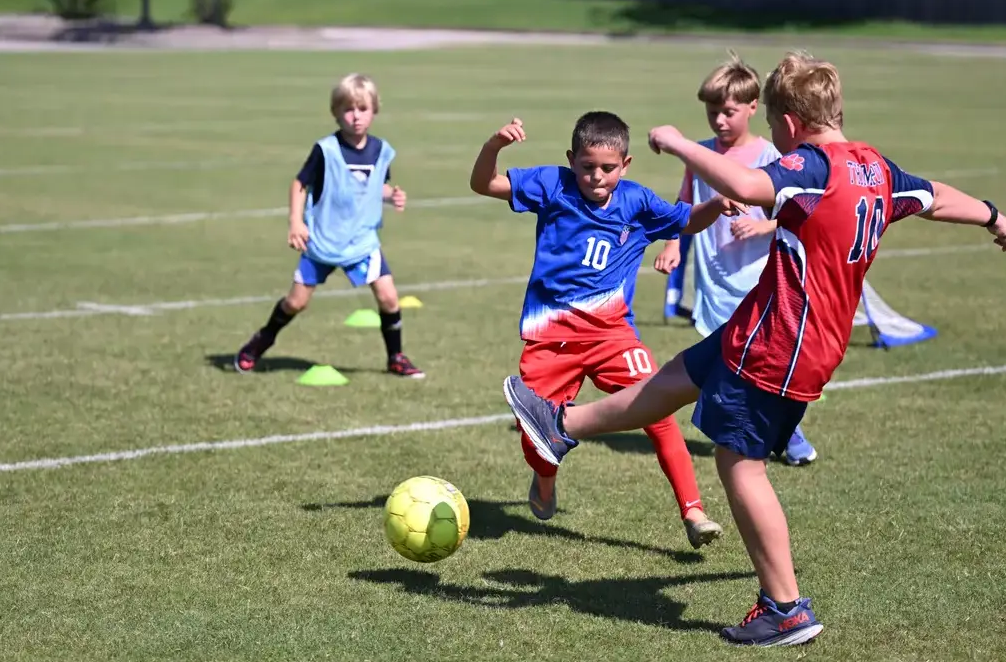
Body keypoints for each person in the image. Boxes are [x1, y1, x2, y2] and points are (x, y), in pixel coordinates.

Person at [503, 53, 1006, 646]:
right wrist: (993, 216)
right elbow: (935, 196)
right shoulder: (874, 167)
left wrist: (677, 143)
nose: (773, 139)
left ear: (792, 124)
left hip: (783, 340)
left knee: (737, 462)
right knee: (679, 374)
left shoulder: (811, 165)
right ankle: (561, 424)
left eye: (774, 126)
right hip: (772, 326)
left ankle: (785, 606)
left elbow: (748, 184)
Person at [470, 111, 738, 548]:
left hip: (613, 336)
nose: (596, 177)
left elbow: (686, 221)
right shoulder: (551, 185)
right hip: (550, 338)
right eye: (587, 166)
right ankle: (544, 479)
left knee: (658, 411)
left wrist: (716, 204)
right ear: (571, 159)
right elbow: (484, 184)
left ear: (626, 165)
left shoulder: (637, 202)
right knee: (536, 437)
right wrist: (494, 145)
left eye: (608, 168)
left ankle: (693, 512)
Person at [654, 53, 816, 466]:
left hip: (757, 277)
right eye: (712, 113)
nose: (719, 121)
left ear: (752, 108)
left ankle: (787, 431)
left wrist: (764, 227)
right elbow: (684, 203)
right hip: (714, 275)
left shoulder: (770, 157)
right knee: (724, 355)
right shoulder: (702, 155)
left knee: (756, 359)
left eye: (728, 112)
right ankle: (742, 431)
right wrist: (673, 244)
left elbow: (799, 210)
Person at [235, 73, 424, 379]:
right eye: (348, 109)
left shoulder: (381, 150)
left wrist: (392, 195)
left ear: (374, 110)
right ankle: (258, 343)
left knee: (389, 297)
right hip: (323, 239)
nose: (356, 116)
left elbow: (371, 187)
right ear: (335, 113)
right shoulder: (326, 150)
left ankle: (396, 357)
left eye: (363, 109)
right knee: (296, 302)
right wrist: (296, 222)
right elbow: (300, 184)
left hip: (362, 241)